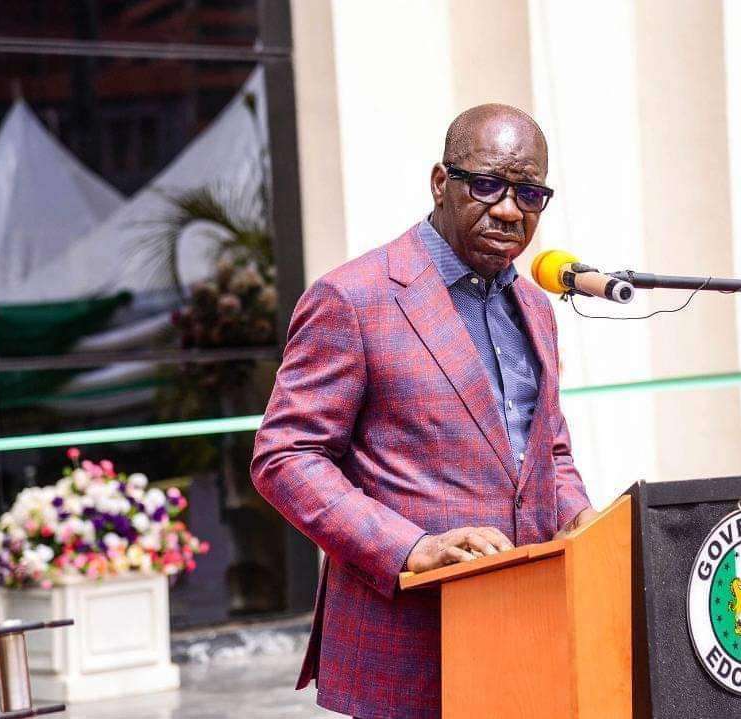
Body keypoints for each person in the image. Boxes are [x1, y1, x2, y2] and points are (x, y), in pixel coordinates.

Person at [250, 103, 598, 719]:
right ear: (441, 182)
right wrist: (412, 548)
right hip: (409, 644)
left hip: (530, 634)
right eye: (486, 185)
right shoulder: (353, 298)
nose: (509, 210)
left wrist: (580, 519)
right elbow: (285, 458)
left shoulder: (535, 306)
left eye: (529, 194)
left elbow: (545, 447)